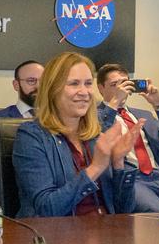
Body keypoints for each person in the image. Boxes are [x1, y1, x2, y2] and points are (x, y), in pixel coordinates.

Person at [13, 53, 139, 217]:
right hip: (60, 236)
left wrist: (118, 163)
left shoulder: (97, 132)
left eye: (88, 84)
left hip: (106, 231)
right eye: (74, 84)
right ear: (52, 90)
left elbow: (125, 209)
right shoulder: (31, 136)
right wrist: (95, 168)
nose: (84, 92)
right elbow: (47, 209)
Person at [95, 63, 159, 212]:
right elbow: (96, 136)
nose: (121, 89)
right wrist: (114, 103)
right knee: (155, 209)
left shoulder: (143, 115)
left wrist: (158, 104)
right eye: (114, 85)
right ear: (100, 88)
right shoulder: (93, 117)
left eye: (124, 83)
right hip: (132, 180)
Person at [0, 60, 42, 165]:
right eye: (31, 81)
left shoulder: (58, 117)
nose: (38, 86)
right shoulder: (0, 120)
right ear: (16, 85)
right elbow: (3, 164)